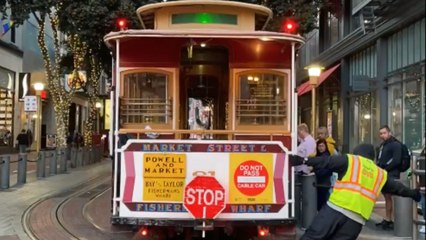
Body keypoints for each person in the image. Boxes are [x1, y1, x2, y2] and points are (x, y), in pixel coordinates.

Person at [289, 143, 423, 240]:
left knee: (313, 236)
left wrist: (303, 160)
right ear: (373, 158)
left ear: (357, 152)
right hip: (356, 220)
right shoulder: (380, 174)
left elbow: (325, 161)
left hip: (335, 210)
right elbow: (397, 188)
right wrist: (413, 193)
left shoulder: (350, 160)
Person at [376, 125, 402, 230]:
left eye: (384, 133)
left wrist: (385, 169)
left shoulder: (395, 145)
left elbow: (396, 160)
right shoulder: (383, 145)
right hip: (384, 174)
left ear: (389, 133)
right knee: (387, 197)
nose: (382, 135)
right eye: (381, 133)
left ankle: (396, 220)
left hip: (391, 174)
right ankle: (388, 219)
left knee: (393, 197)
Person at [314, 139, 332, 211]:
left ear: (325, 147)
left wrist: (316, 172)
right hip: (320, 183)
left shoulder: (327, 157)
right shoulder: (318, 156)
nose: (320, 148)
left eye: (322, 146)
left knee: (323, 201)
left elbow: (326, 171)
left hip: (324, 183)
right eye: (319, 146)